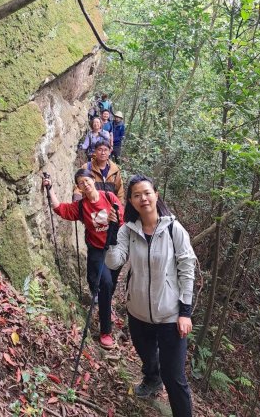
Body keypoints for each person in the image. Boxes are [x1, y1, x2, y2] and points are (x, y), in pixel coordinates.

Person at [105, 175, 196, 416]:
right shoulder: (128, 231)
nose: (143, 198)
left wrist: (185, 312)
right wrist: (112, 232)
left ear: (156, 194)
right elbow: (113, 262)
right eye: (136, 195)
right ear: (131, 201)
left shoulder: (174, 230)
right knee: (147, 357)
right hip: (137, 312)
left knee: (174, 377)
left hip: (170, 315)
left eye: (147, 193)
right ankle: (152, 379)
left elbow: (187, 271)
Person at [42, 169, 124, 350]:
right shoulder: (81, 206)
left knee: (109, 287)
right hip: (96, 250)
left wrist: (116, 219)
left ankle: (104, 303)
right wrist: (50, 189)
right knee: (106, 283)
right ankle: (106, 332)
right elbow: (60, 209)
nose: (85, 185)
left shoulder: (109, 197)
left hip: (113, 247)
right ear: (78, 187)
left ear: (93, 180)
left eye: (87, 181)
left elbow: (123, 220)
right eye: (81, 183)